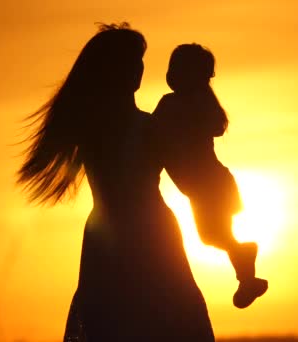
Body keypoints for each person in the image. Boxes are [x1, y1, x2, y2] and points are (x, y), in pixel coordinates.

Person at [18, 24, 215, 341]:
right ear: (118, 70)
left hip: (105, 237)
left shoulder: (91, 129)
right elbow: (191, 182)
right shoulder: (148, 127)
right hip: (150, 234)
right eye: (135, 61)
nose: (140, 69)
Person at [153, 43, 268, 309]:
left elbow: (152, 131)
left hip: (209, 186)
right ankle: (247, 278)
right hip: (211, 184)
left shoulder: (175, 105)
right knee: (216, 235)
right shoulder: (197, 107)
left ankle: (246, 262)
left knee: (212, 236)